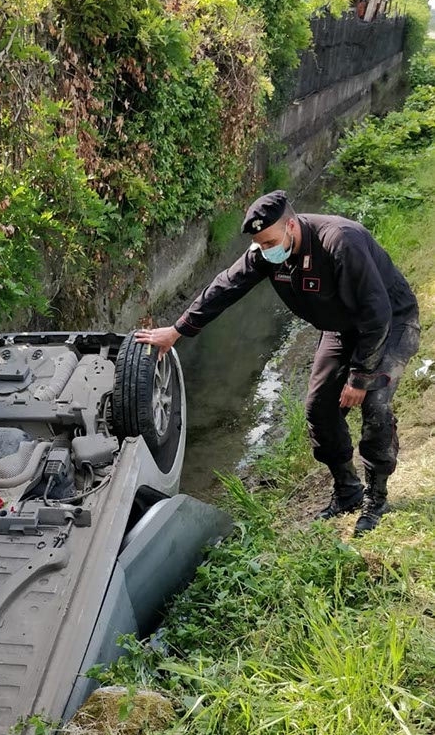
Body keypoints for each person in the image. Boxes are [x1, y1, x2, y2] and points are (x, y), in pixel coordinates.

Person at [134, 190, 421, 535]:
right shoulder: (267, 253)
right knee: (319, 409)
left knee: (375, 404)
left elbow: (377, 314)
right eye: (259, 244)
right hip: (340, 327)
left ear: (292, 226)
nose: (265, 250)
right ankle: (347, 490)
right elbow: (226, 286)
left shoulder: (341, 241)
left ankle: (377, 498)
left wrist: (360, 377)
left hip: (390, 324)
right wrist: (177, 331)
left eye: (270, 241)